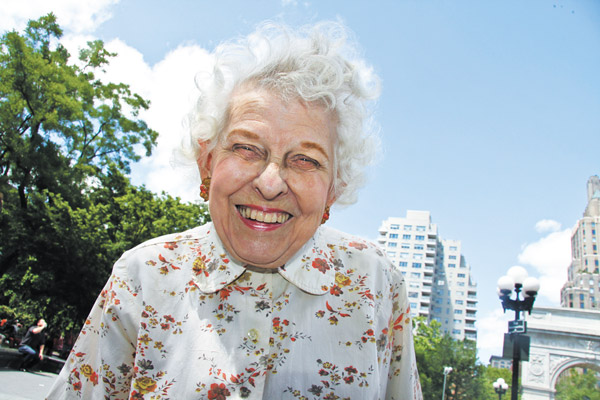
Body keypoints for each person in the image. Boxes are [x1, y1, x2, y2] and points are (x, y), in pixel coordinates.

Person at [47, 21, 422, 399]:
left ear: (333, 190)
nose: (270, 182)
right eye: (246, 148)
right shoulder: (142, 275)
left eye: (305, 159)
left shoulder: (377, 282)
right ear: (206, 163)